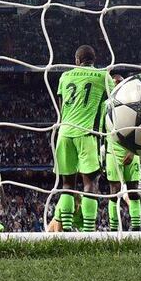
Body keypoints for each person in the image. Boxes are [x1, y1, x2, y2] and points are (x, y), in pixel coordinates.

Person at [54, 45, 114, 232]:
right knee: (90, 183)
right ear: (93, 60)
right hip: (87, 134)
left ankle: (68, 229)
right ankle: (89, 231)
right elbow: (113, 105)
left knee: (67, 184)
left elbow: (60, 106)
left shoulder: (65, 77)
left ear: (76, 60)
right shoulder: (104, 76)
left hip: (63, 134)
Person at [104, 73, 141, 231]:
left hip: (131, 151)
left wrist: (133, 151)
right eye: (114, 83)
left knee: (133, 190)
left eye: (119, 82)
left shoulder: (134, 103)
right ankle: (113, 228)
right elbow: (102, 130)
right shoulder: (106, 105)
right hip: (113, 152)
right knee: (114, 192)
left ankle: (136, 227)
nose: (116, 85)